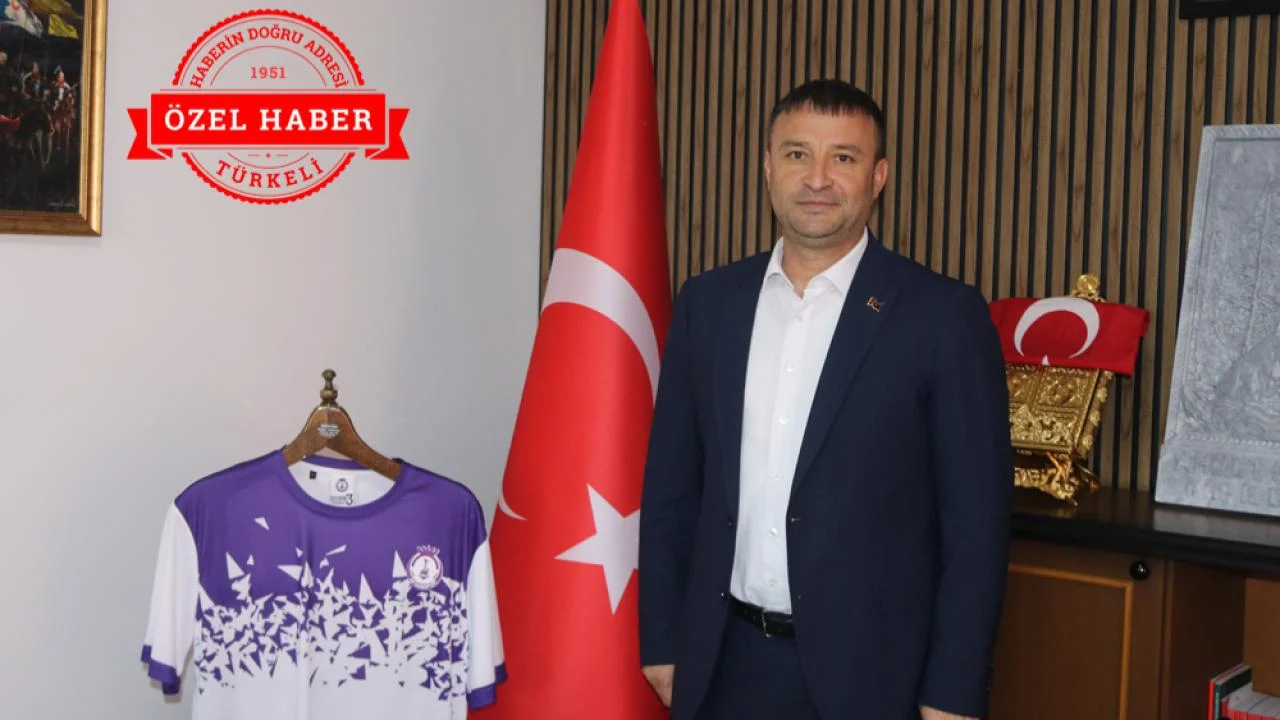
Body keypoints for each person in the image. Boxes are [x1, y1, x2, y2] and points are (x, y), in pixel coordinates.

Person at [637, 79, 1014, 720]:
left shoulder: (942, 317)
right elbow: (672, 485)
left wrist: (952, 691)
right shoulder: (708, 304)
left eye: (843, 157)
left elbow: (975, 527)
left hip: (871, 680)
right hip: (719, 665)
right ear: (768, 168)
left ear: (878, 176)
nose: (817, 178)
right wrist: (663, 641)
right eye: (796, 155)